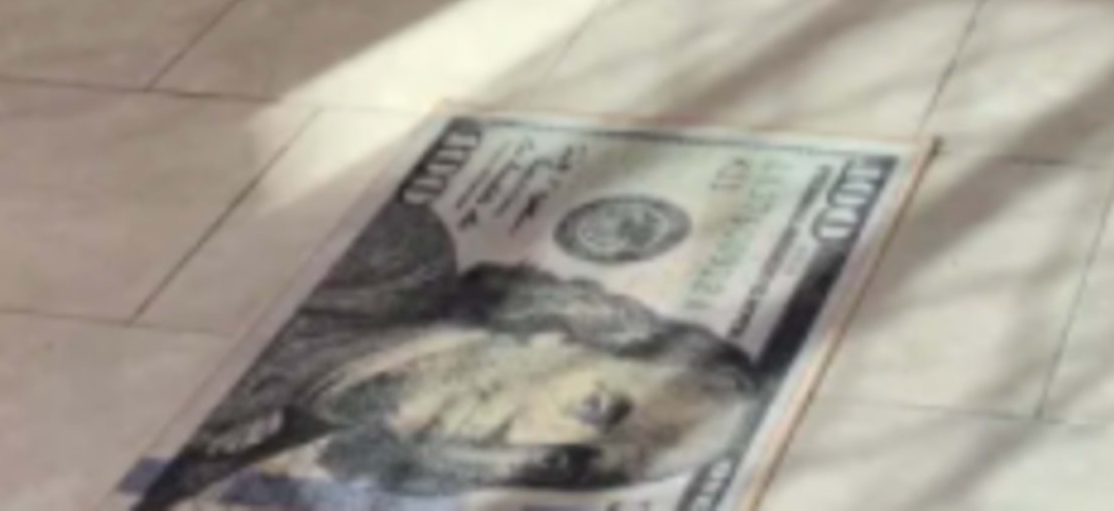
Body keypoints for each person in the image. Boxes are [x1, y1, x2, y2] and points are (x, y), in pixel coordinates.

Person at [142, 196, 764, 507]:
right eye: (598, 407)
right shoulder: (389, 262)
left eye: (573, 467)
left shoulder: (261, 470)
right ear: (564, 334)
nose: (534, 448)